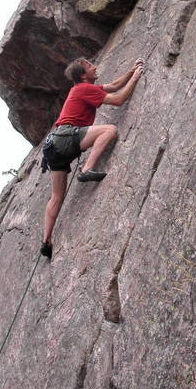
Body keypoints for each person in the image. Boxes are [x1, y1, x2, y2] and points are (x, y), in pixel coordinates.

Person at [41, 57, 144, 258]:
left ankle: (46, 240)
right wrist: (136, 78)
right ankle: (87, 169)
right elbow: (118, 99)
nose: (95, 67)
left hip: (53, 146)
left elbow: (113, 85)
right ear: (82, 75)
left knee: (56, 197)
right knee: (109, 129)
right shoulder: (83, 89)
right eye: (89, 66)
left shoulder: (82, 89)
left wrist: (131, 70)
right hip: (66, 138)